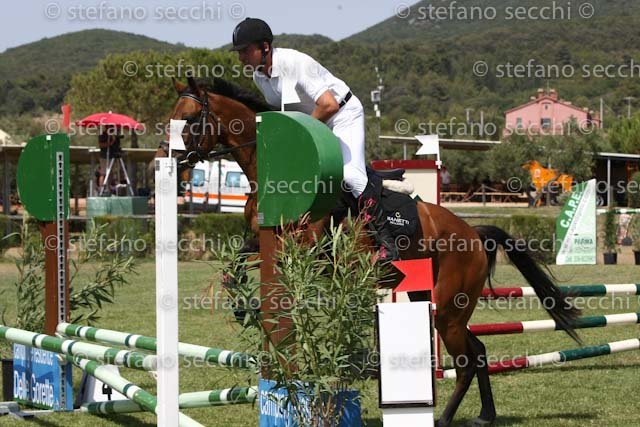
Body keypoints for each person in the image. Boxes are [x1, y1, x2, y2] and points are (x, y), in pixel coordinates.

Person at [231, 18, 398, 259]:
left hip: (342, 115)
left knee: (351, 177)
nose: (241, 58)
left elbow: (329, 105)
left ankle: (387, 244)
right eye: (239, 52)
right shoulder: (259, 77)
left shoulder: (295, 63)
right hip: (313, 123)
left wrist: (299, 135)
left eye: (245, 51)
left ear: (265, 47)